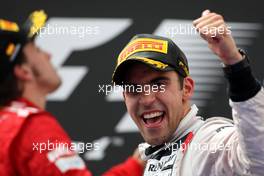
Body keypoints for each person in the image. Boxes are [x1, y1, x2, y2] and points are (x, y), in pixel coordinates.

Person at [112, 9, 264, 175]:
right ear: (125, 98)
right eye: (134, 89)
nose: (147, 99)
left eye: (159, 84)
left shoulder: (208, 143)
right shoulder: (151, 159)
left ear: (186, 89)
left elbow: (258, 161)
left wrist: (234, 63)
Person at [0, 10, 144, 176]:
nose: (48, 55)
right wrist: (135, 167)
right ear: (24, 71)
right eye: (37, 50)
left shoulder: (7, 123)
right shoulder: (31, 126)